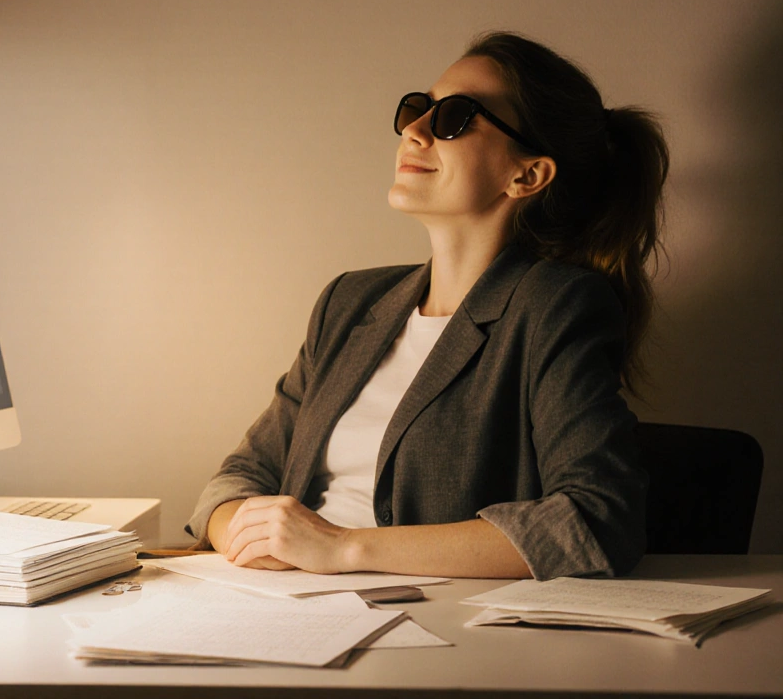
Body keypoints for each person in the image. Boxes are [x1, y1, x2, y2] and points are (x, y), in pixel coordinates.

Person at [187, 32, 668, 581]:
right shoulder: (348, 301)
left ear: (527, 174)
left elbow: (598, 521)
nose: (413, 131)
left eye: (455, 117)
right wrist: (247, 533)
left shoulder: (555, 306)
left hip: (430, 627)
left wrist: (343, 549)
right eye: (420, 109)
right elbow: (239, 478)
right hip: (278, 603)